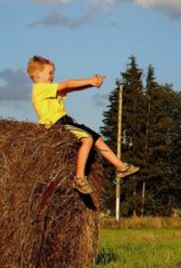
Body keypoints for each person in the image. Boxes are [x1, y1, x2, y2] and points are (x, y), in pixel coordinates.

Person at [28, 56, 139, 194]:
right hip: (56, 124)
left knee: (98, 140)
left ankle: (121, 167)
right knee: (87, 140)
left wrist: (91, 84)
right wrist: (91, 80)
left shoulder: (49, 88)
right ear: (38, 74)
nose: (53, 76)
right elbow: (68, 84)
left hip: (67, 121)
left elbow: (70, 89)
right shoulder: (39, 88)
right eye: (50, 73)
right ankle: (79, 178)